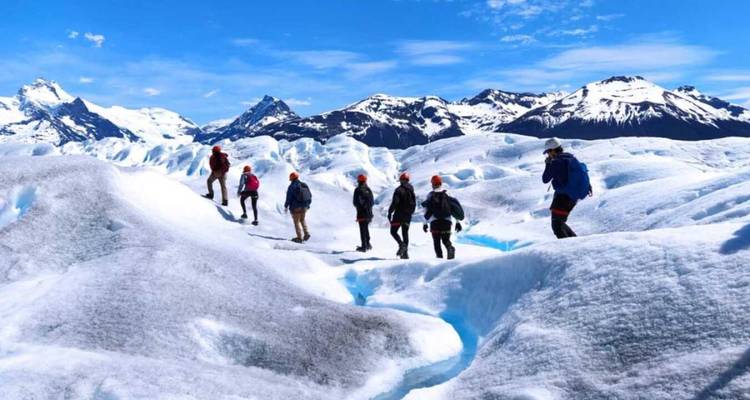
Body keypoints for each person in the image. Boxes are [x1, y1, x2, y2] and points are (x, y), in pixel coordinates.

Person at [542, 137, 592, 239]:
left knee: (557, 225)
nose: (548, 155)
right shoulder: (570, 158)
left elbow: (545, 179)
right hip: (572, 198)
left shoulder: (556, 162)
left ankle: (572, 247)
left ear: (552, 150)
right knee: (559, 223)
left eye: (548, 152)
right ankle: (574, 243)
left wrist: (548, 164)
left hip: (563, 198)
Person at [422, 175, 464, 260]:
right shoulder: (448, 194)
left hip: (435, 222)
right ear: (441, 183)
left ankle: (439, 260)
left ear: (432, 184)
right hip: (447, 221)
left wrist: (425, 223)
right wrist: (457, 222)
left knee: (437, 243)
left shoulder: (430, 195)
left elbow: (426, 210)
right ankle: (450, 248)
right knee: (445, 240)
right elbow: (453, 209)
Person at [388, 172, 416, 259]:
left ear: (402, 180)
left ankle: (402, 245)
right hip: (408, 216)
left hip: (398, 215)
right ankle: (405, 254)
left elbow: (395, 202)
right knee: (405, 233)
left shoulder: (399, 190)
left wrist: (390, 212)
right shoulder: (411, 190)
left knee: (393, 231)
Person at [285, 172, 312, 243]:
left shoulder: (291, 186)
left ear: (291, 178)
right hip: (305, 206)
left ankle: (299, 238)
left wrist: (286, 206)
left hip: (296, 208)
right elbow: (310, 195)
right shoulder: (304, 184)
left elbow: (289, 198)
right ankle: (306, 233)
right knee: (302, 220)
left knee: (296, 222)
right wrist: (308, 205)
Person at [352, 174, 374, 252]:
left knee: (362, 229)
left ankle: (364, 246)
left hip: (361, 213)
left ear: (358, 181)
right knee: (366, 228)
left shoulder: (357, 190)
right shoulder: (369, 189)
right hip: (369, 213)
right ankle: (368, 244)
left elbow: (355, 202)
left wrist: (360, 208)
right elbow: (372, 202)